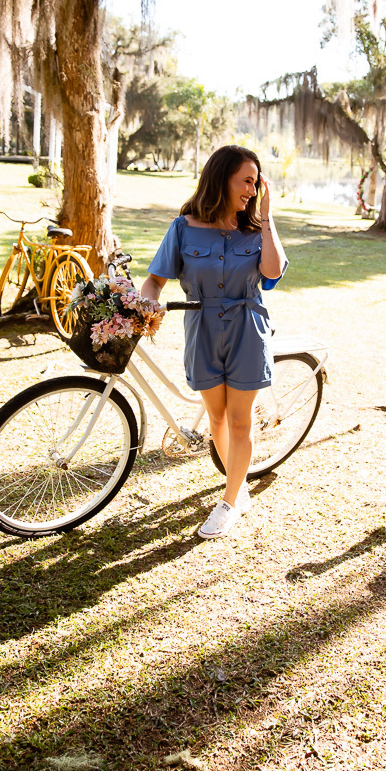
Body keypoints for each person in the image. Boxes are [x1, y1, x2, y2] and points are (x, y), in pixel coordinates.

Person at [141, 145, 288, 538]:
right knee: (217, 418)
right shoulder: (184, 227)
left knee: (240, 421)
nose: (251, 190)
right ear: (222, 178)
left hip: (246, 328)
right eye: (246, 181)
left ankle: (228, 501)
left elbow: (272, 274)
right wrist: (146, 306)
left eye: (255, 183)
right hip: (201, 329)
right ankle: (237, 487)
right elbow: (155, 280)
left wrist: (267, 217)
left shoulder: (257, 231)